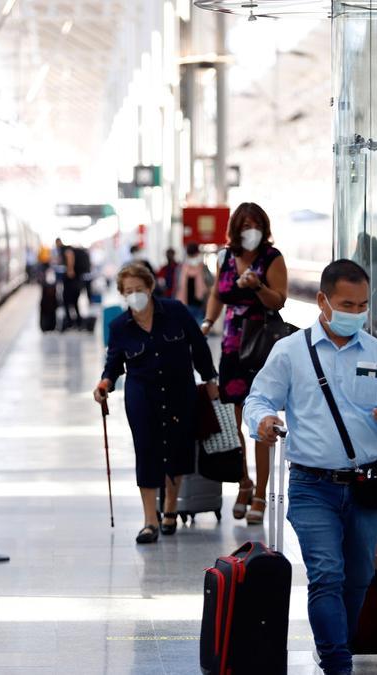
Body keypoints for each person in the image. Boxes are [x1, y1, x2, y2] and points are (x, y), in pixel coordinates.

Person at [244, 259, 377, 675]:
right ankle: (338, 663)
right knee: (326, 573)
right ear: (322, 301)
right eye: (346, 304)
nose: (355, 313)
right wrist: (263, 422)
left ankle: (336, 643)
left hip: (366, 486)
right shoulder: (291, 352)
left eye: (362, 305)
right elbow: (257, 400)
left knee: (358, 578)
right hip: (311, 485)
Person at [93, 263, 219, 544]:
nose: (135, 295)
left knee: (177, 449)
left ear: (150, 288)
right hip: (142, 397)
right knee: (147, 452)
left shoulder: (175, 311)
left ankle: (170, 509)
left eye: (139, 289)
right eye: (129, 291)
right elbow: (113, 364)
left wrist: (210, 379)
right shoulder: (119, 327)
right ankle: (150, 520)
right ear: (122, 295)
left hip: (179, 392)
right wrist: (105, 384)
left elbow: (198, 346)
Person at [201, 202, 289, 524]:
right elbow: (217, 294)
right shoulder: (226, 257)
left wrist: (258, 287)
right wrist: (208, 322)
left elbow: (279, 300)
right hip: (231, 348)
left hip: (261, 346)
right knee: (234, 419)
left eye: (255, 224)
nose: (249, 230)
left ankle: (261, 494)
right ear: (235, 228)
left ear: (264, 227)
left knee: (259, 420)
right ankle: (243, 482)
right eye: (244, 224)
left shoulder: (272, 258)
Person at [174, 242, 212, 323]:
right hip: (184, 304)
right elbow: (177, 286)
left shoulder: (203, 268)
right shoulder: (181, 268)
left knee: (198, 329)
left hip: (200, 304)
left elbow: (210, 283)